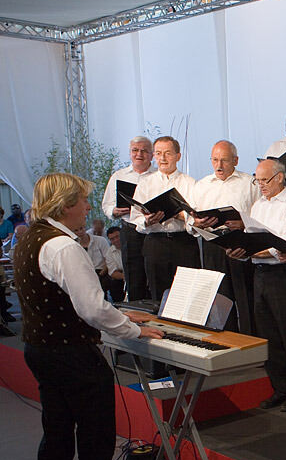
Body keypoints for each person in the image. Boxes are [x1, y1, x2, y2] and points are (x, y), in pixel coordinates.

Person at [12, 173, 164, 460]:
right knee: (95, 437)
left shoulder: (29, 237)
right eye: (81, 202)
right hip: (72, 354)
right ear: (65, 205)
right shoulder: (63, 247)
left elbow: (66, 299)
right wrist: (134, 329)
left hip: (41, 349)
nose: (86, 209)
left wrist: (121, 316)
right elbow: (92, 309)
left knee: (57, 438)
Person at [228, 159, 286, 413]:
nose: (260, 185)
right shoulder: (258, 205)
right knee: (269, 335)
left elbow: (285, 242)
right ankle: (279, 388)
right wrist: (241, 251)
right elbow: (252, 240)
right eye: (257, 180)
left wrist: (258, 252)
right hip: (259, 275)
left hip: (283, 276)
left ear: (280, 178)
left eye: (264, 180)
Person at [188, 140, 259, 332]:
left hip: (241, 242)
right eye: (215, 160)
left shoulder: (250, 183)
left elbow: (261, 214)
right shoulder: (201, 185)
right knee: (219, 299)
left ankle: (251, 344)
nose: (219, 166)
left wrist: (245, 223)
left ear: (235, 160)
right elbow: (190, 219)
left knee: (246, 298)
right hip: (213, 245)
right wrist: (197, 223)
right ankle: (225, 344)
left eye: (225, 160)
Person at [128, 136, 200, 300]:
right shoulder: (146, 183)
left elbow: (197, 217)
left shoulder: (190, 183)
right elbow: (135, 218)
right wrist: (147, 220)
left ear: (178, 156)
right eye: (159, 153)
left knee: (187, 294)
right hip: (155, 243)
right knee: (158, 295)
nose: (163, 158)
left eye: (168, 153)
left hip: (183, 243)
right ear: (154, 156)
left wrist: (179, 215)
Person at [102, 135, 154, 301]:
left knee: (155, 277)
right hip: (130, 231)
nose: (139, 154)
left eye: (144, 151)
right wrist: (114, 211)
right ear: (130, 153)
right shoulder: (119, 175)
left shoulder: (159, 176)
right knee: (133, 276)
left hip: (154, 231)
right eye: (135, 150)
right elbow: (106, 206)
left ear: (152, 155)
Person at [103, 225, 126, 302]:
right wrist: (125, 277)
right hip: (122, 275)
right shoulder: (109, 253)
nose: (116, 240)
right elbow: (113, 272)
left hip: (137, 273)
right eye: (112, 239)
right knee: (114, 283)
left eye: (117, 236)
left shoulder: (132, 245)